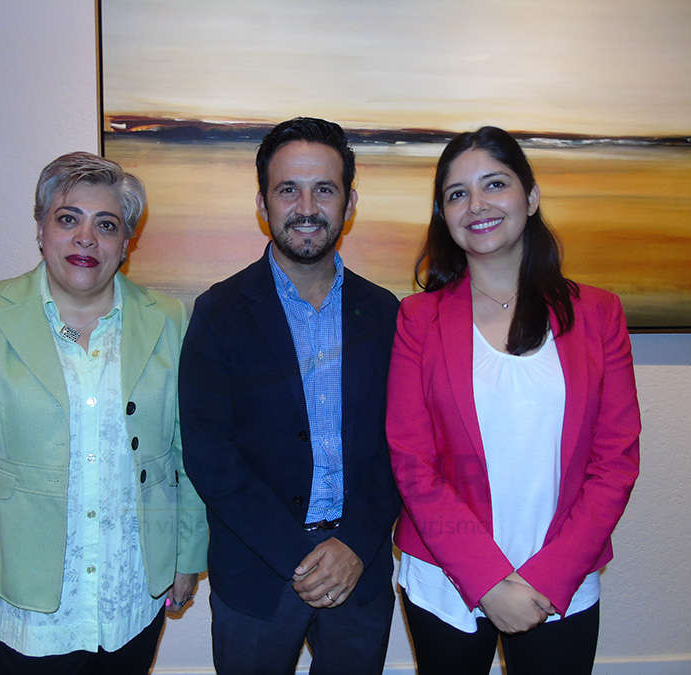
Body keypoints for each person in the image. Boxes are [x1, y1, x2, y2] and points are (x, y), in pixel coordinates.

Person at [0, 152, 207, 673]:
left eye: (106, 225)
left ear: (126, 243)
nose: (85, 238)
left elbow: (187, 452)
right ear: (40, 229)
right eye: (68, 218)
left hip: (131, 595)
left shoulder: (167, 318)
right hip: (23, 600)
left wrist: (187, 556)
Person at [386, 126, 640, 674]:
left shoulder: (599, 315)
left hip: (563, 582)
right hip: (446, 582)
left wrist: (546, 577)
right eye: (457, 194)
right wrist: (488, 582)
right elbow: (413, 466)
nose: (476, 205)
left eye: (494, 184)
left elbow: (615, 460)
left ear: (530, 196)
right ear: (443, 214)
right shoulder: (417, 321)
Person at [178, 117, 401, 674]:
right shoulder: (218, 313)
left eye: (323, 189)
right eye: (288, 189)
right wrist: (298, 555)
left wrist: (352, 544)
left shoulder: (386, 314)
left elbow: (403, 445)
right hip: (257, 575)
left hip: (359, 570)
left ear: (349, 203)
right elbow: (209, 453)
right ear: (263, 202)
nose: (306, 207)